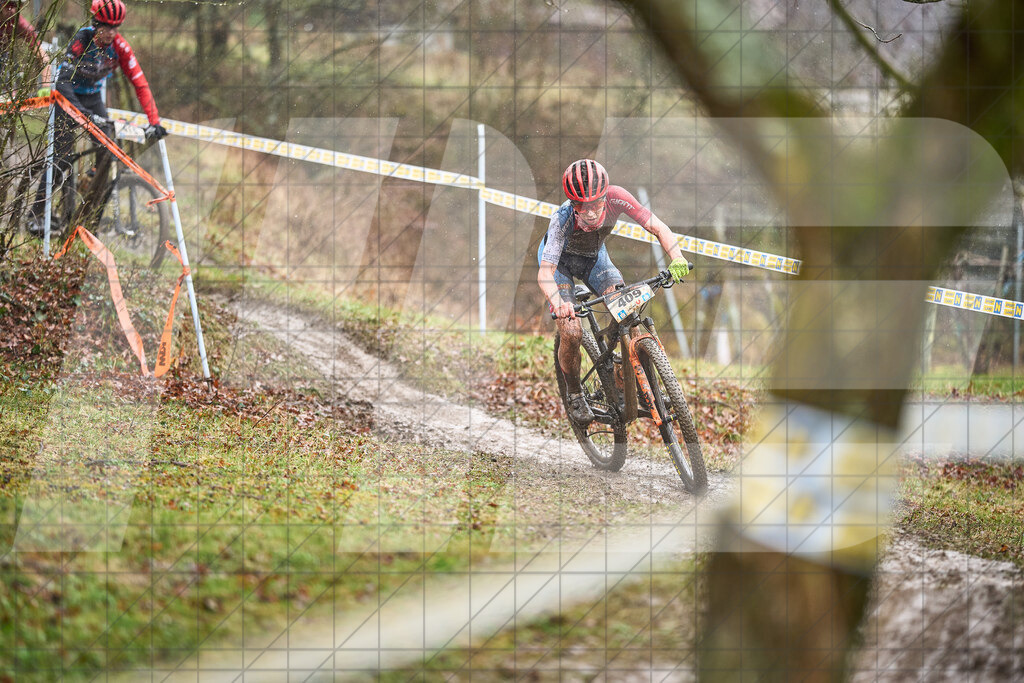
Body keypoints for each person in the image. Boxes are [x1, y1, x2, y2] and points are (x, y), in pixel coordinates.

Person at [537, 158, 691, 424]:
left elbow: (658, 226)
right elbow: (544, 272)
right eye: (584, 208)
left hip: (595, 259)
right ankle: (574, 393)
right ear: (573, 205)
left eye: (597, 204)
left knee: (627, 313)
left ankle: (627, 381)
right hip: (560, 265)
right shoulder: (561, 219)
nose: (593, 213)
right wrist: (558, 302)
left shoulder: (618, 198)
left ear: (605, 196)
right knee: (571, 330)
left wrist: (676, 257)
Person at [28, 0, 167, 236]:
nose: (110, 33)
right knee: (61, 160)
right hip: (67, 97)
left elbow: (140, 84)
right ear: (95, 23)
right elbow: (62, 78)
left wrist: (155, 121)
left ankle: (85, 213)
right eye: (105, 27)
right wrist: (79, 111)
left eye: (115, 28)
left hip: (93, 99)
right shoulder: (83, 38)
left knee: (107, 155)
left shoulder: (120, 47)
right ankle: (36, 216)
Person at [0, 0, 52, 95]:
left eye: (17, 5)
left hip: (3, 60)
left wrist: (47, 85)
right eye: (9, 4)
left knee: (9, 94)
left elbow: (43, 56)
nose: (12, 9)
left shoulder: (17, 21)